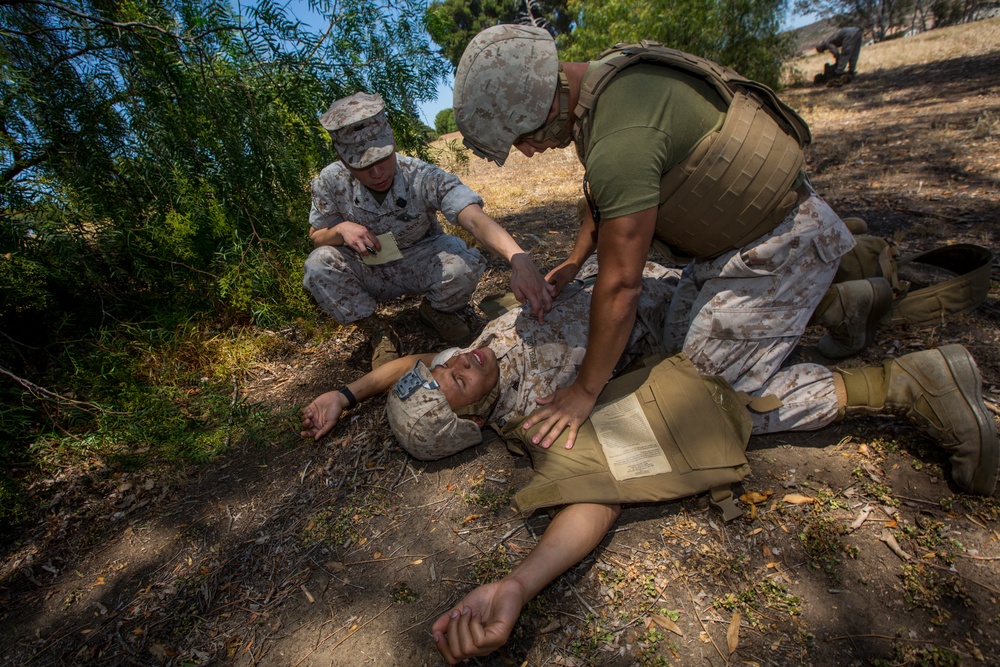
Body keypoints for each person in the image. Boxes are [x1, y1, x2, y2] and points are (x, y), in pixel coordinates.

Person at [300, 264, 999, 663]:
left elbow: (409, 363)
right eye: (455, 379)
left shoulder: (466, 357)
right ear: (475, 420)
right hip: (680, 317)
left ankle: (849, 291)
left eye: (447, 362)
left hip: (652, 268)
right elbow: (596, 491)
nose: (460, 360)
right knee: (722, 404)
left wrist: (346, 393)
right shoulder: (534, 418)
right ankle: (900, 379)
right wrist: (519, 582)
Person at [451, 24, 898, 453]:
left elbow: (621, 287)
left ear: (540, 105)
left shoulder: (621, 140)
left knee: (702, 405)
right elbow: (604, 201)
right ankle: (839, 304)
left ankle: (901, 386)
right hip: (728, 251)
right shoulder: (609, 84)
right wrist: (575, 260)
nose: (529, 151)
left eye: (522, 137)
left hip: (777, 251)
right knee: (671, 349)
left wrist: (585, 391)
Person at [303, 91, 555, 368]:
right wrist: (340, 229)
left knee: (463, 262)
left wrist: (518, 258)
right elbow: (317, 237)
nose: (376, 173)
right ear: (342, 157)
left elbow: (472, 217)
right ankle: (378, 331)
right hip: (368, 269)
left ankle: (436, 311)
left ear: (392, 140)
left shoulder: (420, 175)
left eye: (382, 158)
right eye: (362, 165)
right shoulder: (329, 182)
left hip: (420, 260)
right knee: (318, 264)